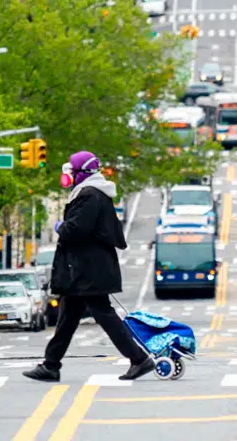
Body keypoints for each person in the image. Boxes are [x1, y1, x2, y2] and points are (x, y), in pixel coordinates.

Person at [24, 152, 155, 382]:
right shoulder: (90, 194)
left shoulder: (90, 196)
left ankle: (139, 359)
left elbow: (76, 231)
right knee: (67, 317)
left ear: (81, 173)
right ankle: (50, 365)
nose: (68, 177)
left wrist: (60, 226)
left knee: (104, 315)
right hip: (84, 269)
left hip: (88, 270)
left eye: (72, 172)